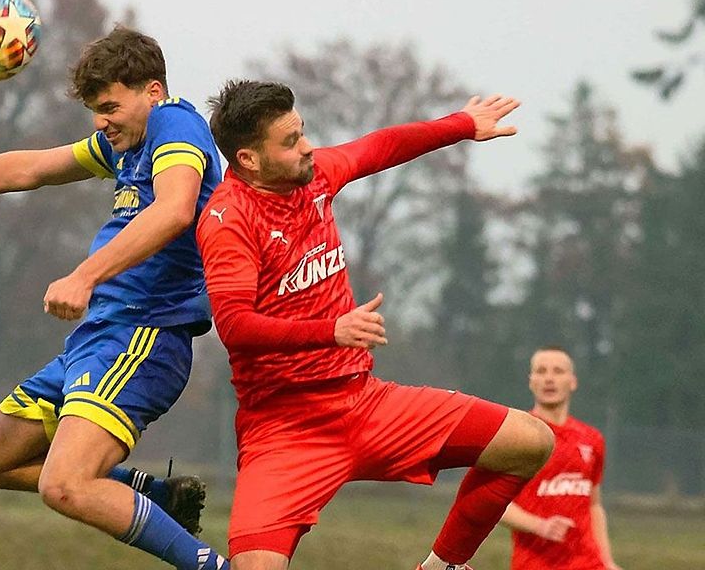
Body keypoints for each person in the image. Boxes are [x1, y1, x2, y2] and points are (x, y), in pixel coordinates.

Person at [0, 27, 227, 570]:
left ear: (152, 91)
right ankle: (152, 496)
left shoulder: (175, 124)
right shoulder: (129, 143)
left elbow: (176, 209)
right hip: (98, 337)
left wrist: (84, 277)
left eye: (110, 105)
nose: (101, 121)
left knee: (63, 485)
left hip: (144, 335)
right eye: (94, 109)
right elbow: (33, 167)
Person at [196, 80, 556, 570]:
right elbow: (235, 326)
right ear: (248, 160)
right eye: (290, 142)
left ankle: (444, 566)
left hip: (365, 402)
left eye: (301, 132)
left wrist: (463, 125)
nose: (306, 147)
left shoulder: (315, 175)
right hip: (284, 430)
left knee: (530, 442)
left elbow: (380, 146)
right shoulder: (229, 219)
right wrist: (332, 331)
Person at [499, 347, 621, 570]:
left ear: (572, 381)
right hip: (535, 564)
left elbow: (594, 505)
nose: (549, 378)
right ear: (531, 381)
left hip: (588, 563)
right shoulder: (517, 435)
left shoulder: (591, 439)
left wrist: (607, 561)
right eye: (541, 371)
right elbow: (496, 505)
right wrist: (539, 526)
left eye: (558, 371)